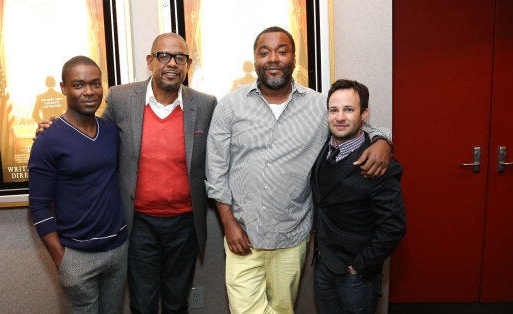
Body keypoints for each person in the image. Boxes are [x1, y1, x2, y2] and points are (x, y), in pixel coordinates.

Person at [205, 26, 393, 314]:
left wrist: (383, 140)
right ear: (254, 59)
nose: (273, 59)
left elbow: (355, 126)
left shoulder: (319, 105)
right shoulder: (230, 106)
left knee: (283, 308)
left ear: (294, 58)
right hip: (242, 236)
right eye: (264, 52)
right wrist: (229, 223)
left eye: (282, 51)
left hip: (290, 237)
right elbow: (216, 169)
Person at [36, 33, 217, 313]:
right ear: (150, 61)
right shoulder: (121, 98)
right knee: (142, 303)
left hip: (185, 224)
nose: (172, 63)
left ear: (188, 64)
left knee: (177, 302)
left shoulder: (205, 105)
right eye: (164, 56)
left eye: (180, 57)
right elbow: (91, 131)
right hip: (139, 224)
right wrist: (52, 129)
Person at [28, 56, 128, 313]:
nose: (89, 92)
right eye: (79, 85)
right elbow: (39, 207)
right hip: (77, 256)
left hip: (117, 250)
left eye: (95, 84)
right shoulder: (48, 140)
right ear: (63, 88)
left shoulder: (109, 131)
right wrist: (63, 261)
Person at [311, 79, 406, 314]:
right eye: (334, 110)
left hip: (355, 276)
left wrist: (359, 267)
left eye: (349, 109)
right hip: (323, 266)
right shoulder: (322, 147)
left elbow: (393, 226)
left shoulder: (378, 163)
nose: (340, 117)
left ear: (364, 113)